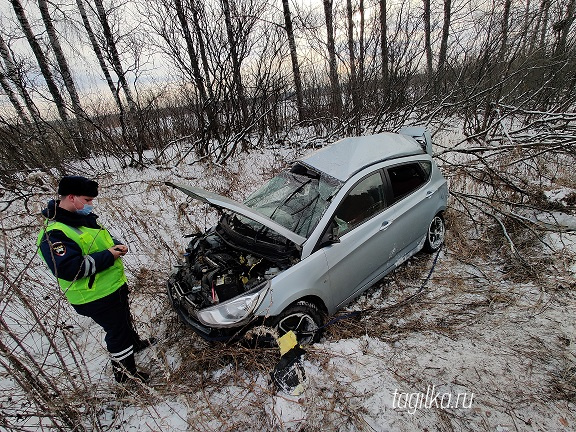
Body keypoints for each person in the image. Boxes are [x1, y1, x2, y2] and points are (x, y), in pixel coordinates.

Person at [37, 175, 154, 383]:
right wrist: (109, 255)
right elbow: (70, 268)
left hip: (112, 286)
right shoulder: (53, 234)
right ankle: (127, 377)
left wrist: (115, 245)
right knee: (117, 333)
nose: (91, 205)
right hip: (95, 295)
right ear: (71, 197)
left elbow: (98, 240)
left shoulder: (79, 218)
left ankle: (134, 344)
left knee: (124, 321)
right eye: (88, 200)